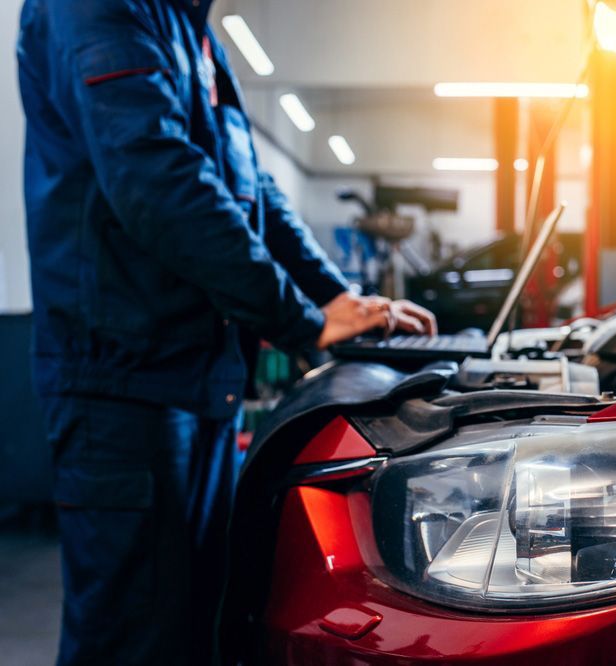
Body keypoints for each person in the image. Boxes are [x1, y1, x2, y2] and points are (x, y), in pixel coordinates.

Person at [17, 1, 436, 663]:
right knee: (131, 637)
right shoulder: (101, 8)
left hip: (194, 380)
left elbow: (251, 187)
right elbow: (157, 179)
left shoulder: (190, 30)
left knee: (195, 625)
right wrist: (299, 319)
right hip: (124, 387)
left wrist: (338, 298)